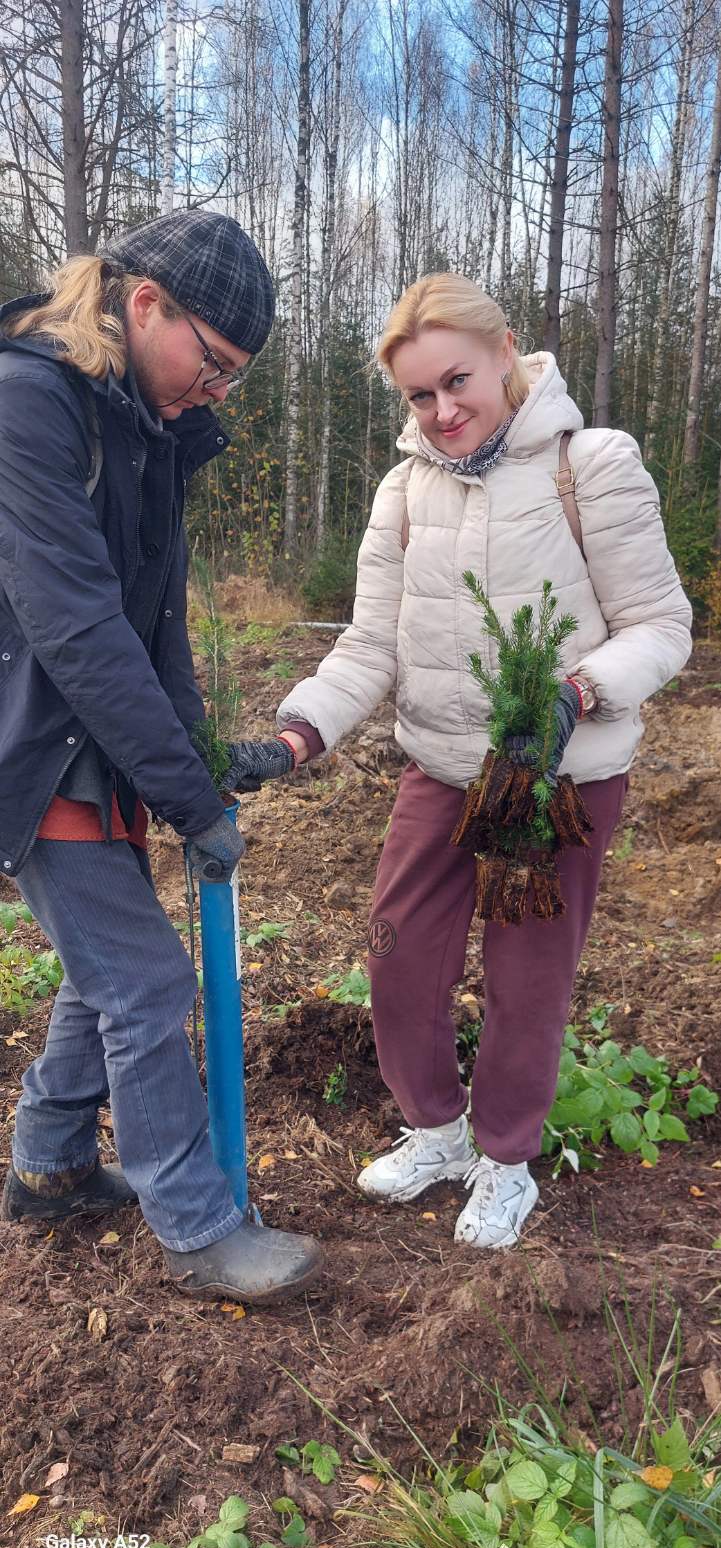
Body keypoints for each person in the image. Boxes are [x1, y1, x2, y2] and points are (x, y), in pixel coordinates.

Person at [275, 273, 693, 1250]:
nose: (443, 409)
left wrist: (575, 690)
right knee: (398, 956)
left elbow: (662, 627)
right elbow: (366, 646)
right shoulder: (403, 487)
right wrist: (299, 729)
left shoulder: (588, 465)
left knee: (525, 977)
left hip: (545, 775)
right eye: (420, 395)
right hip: (438, 763)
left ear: (505, 354)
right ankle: (437, 1131)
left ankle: (506, 1162)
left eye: (456, 380)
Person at [0, 210, 322, 1303]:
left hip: (87, 737)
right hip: (31, 740)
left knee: (106, 969)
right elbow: (78, 627)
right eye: (216, 364)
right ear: (146, 305)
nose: (217, 393)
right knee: (146, 981)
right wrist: (191, 803)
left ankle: (46, 1163)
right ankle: (194, 1227)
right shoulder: (29, 402)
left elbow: (156, 627)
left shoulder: (145, 425)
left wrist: (193, 758)